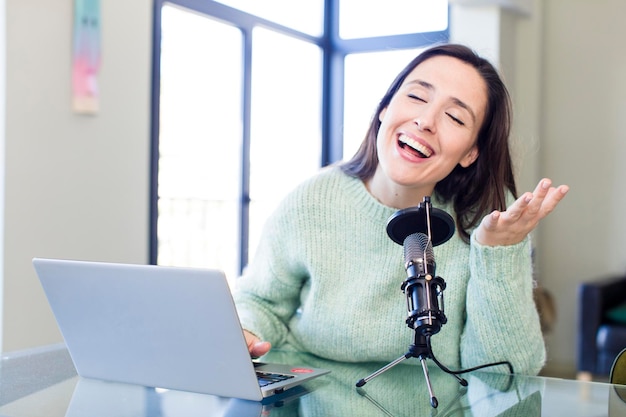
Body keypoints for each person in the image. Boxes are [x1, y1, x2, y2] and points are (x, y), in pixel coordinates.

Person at [232, 43, 569, 376]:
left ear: (471, 152)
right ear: (384, 108)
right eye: (417, 97)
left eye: (454, 117)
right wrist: (247, 332)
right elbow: (261, 304)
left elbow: (507, 372)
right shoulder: (313, 200)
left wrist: (498, 253)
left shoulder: (487, 219)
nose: (425, 121)